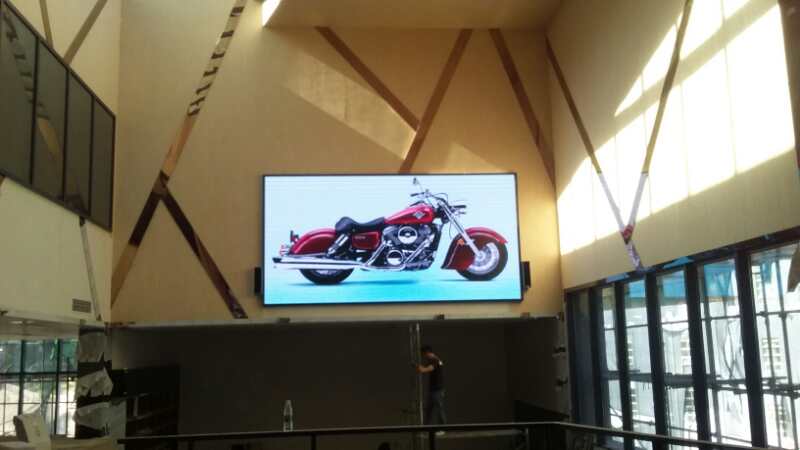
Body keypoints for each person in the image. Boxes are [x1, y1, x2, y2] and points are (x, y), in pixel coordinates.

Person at [415, 344, 446, 426]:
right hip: (434, 390)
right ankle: (425, 427)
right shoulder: (435, 360)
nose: (424, 357)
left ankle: (442, 427)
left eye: (423, 354)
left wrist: (421, 369)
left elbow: (428, 368)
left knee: (439, 409)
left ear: (427, 353)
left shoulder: (435, 360)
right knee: (429, 410)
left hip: (437, 390)